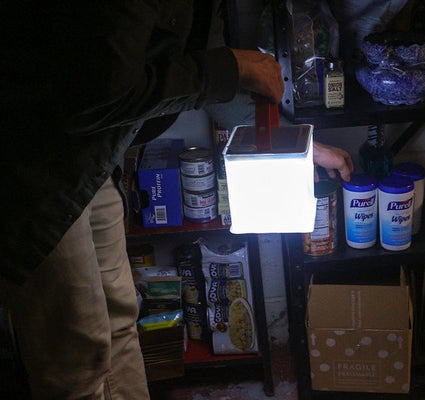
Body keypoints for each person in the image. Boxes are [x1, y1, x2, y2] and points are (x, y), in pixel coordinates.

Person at [0, 1, 353, 399]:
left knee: (118, 321)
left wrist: (306, 145)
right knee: (77, 355)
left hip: (94, 161)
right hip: (31, 168)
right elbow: (100, 91)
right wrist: (230, 67)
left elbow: (211, 86)